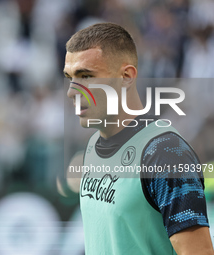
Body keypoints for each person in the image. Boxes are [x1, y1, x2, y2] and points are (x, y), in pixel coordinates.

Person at [63, 22, 214, 255]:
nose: (73, 91)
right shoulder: (93, 145)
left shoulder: (166, 153)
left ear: (126, 76)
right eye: (70, 77)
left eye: (86, 75)